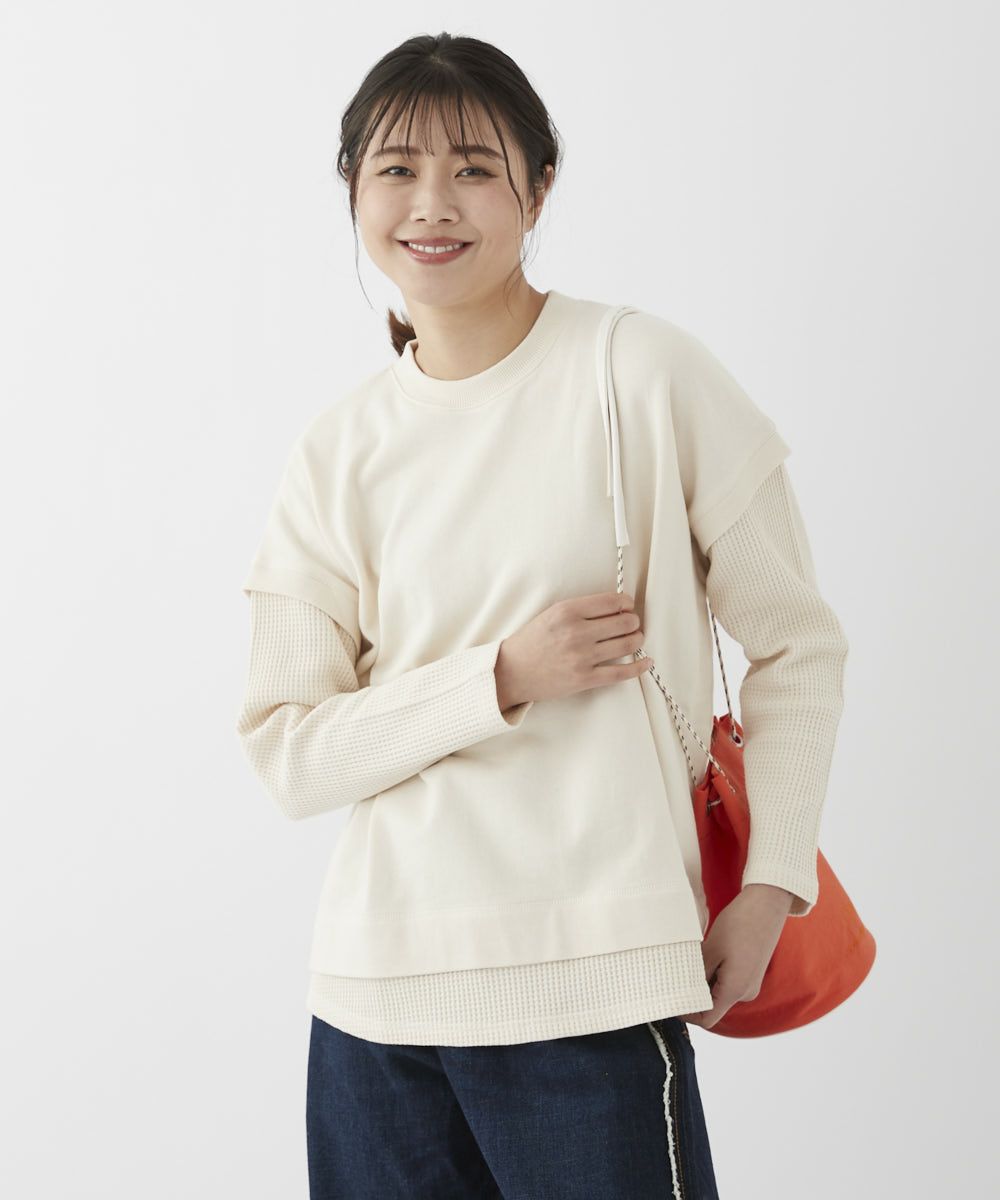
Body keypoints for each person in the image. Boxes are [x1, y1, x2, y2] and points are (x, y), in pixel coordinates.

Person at [235, 31, 849, 1200]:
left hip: (594, 989)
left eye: (473, 167)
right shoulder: (336, 450)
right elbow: (289, 751)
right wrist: (499, 678)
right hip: (373, 1007)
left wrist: (770, 886)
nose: (432, 202)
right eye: (397, 169)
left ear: (538, 187)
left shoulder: (642, 373)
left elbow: (796, 642)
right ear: (353, 190)